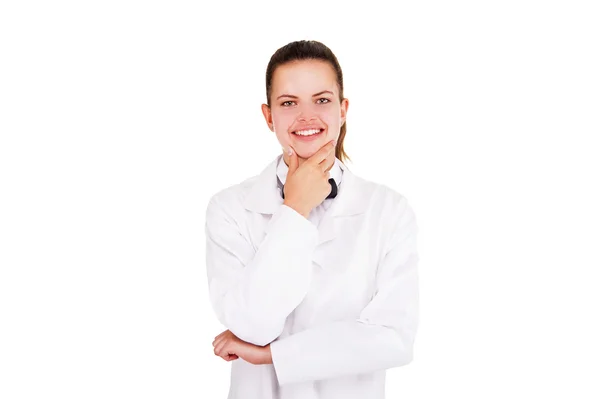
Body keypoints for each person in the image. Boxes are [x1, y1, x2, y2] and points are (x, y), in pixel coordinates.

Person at [205, 40, 419, 399]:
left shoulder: (388, 210)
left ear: (343, 109)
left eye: (322, 100)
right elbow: (254, 324)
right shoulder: (229, 209)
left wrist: (273, 356)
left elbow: (393, 337)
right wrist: (295, 209)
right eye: (289, 103)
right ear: (268, 115)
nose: (306, 117)